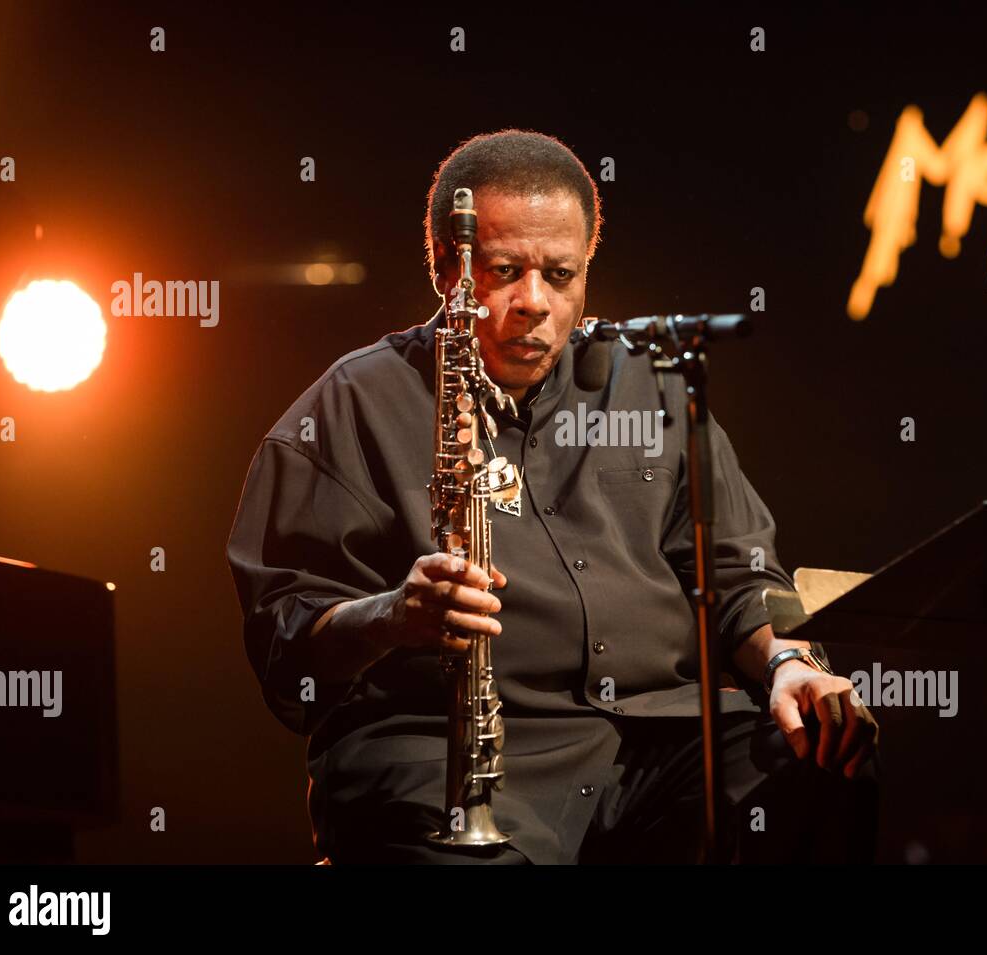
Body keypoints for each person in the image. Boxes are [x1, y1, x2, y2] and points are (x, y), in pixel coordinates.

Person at [226, 128, 879, 864]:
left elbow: (739, 573)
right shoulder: (350, 404)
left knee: (819, 765)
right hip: (437, 755)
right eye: (506, 270)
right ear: (448, 266)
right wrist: (393, 615)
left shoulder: (652, 384)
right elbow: (285, 646)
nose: (534, 302)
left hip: (651, 741)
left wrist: (791, 665)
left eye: (561, 275)